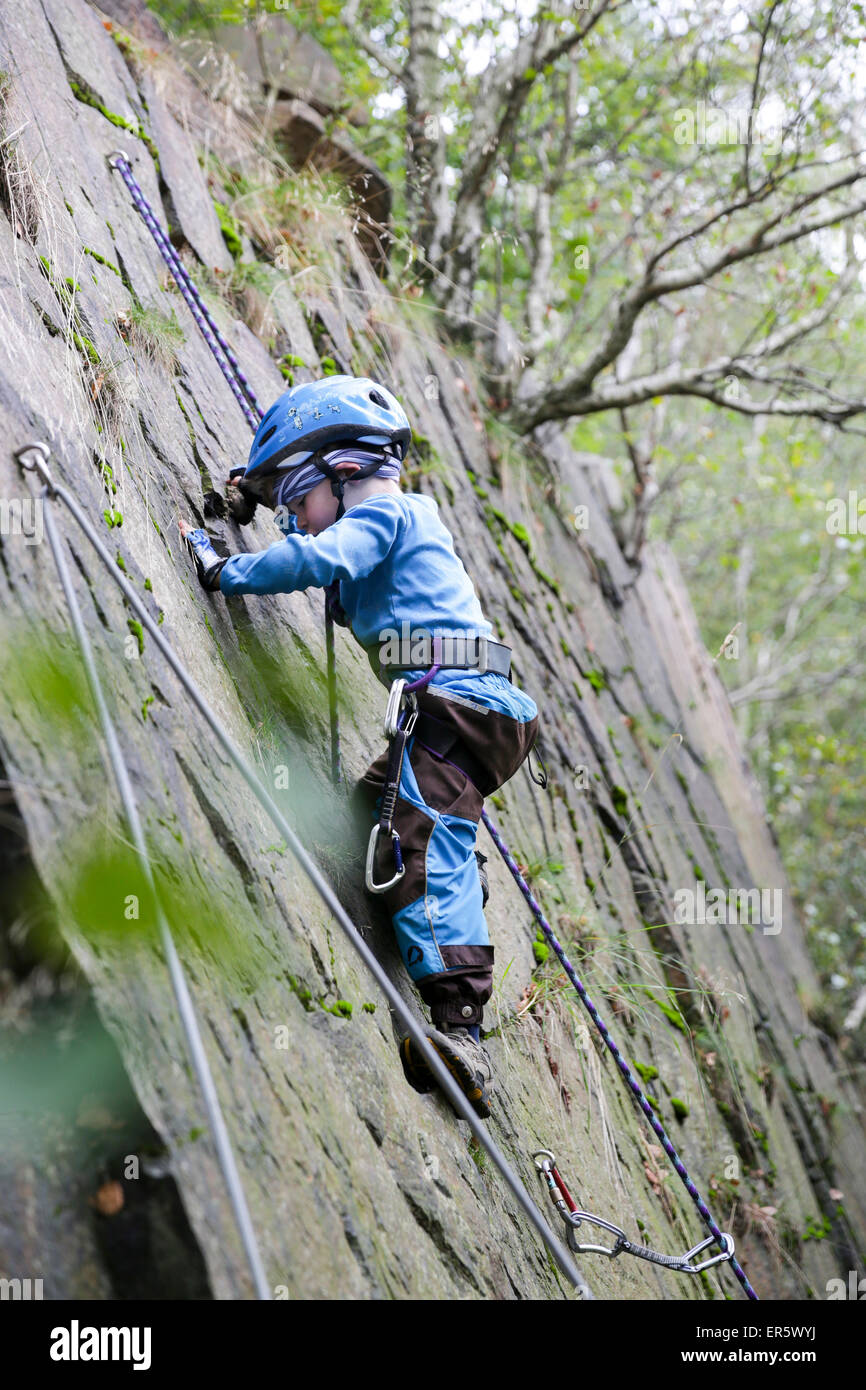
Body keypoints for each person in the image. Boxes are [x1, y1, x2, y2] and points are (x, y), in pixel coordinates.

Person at [179, 375, 539, 1117]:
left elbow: (315, 559)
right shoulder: (386, 524)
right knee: (371, 821)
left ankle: (462, 1030)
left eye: (299, 502)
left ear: (345, 471)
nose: (297, 524)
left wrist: (228, 570)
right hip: (464, 705)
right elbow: (327, 549)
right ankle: (439, 891)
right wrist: (257, 490)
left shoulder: (384, 515)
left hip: (460, 704)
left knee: (416, 840)